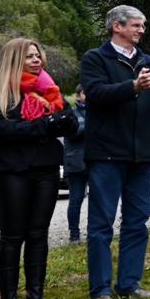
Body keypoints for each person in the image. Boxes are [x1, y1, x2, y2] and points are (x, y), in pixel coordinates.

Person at [81, 5, 150, 299]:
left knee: (137, 222)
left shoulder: (148, 61)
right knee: (102, 224)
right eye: (137, 25)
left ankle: (129, 284)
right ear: (117, 26)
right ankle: (100, 291)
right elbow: (97, 95)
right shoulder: (95, 59)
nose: (142, 30)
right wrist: (133, 86)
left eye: (143, 25)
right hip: (106, 154)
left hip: (142, 156)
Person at [0, 38, 79, 299]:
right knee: (12, 235)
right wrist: (45, 125)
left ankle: (35, 295)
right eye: (29, 56)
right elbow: (0, 130)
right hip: (10, 171)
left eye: (38, 55)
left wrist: (37, 126)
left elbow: (69, 124)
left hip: (45, 169)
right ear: (13, 60)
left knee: (38, 233)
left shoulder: (49, 89)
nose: (37, 60)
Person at [63, 85, 87, 243]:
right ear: (78, 96)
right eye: (86, 93)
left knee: (98, 201)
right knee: (76, 200)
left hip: (96, 162)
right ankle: (74, 234)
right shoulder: (71, 113)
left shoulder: (100, 112)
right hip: (76, 164)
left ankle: (94, 232)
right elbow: (73, 132)